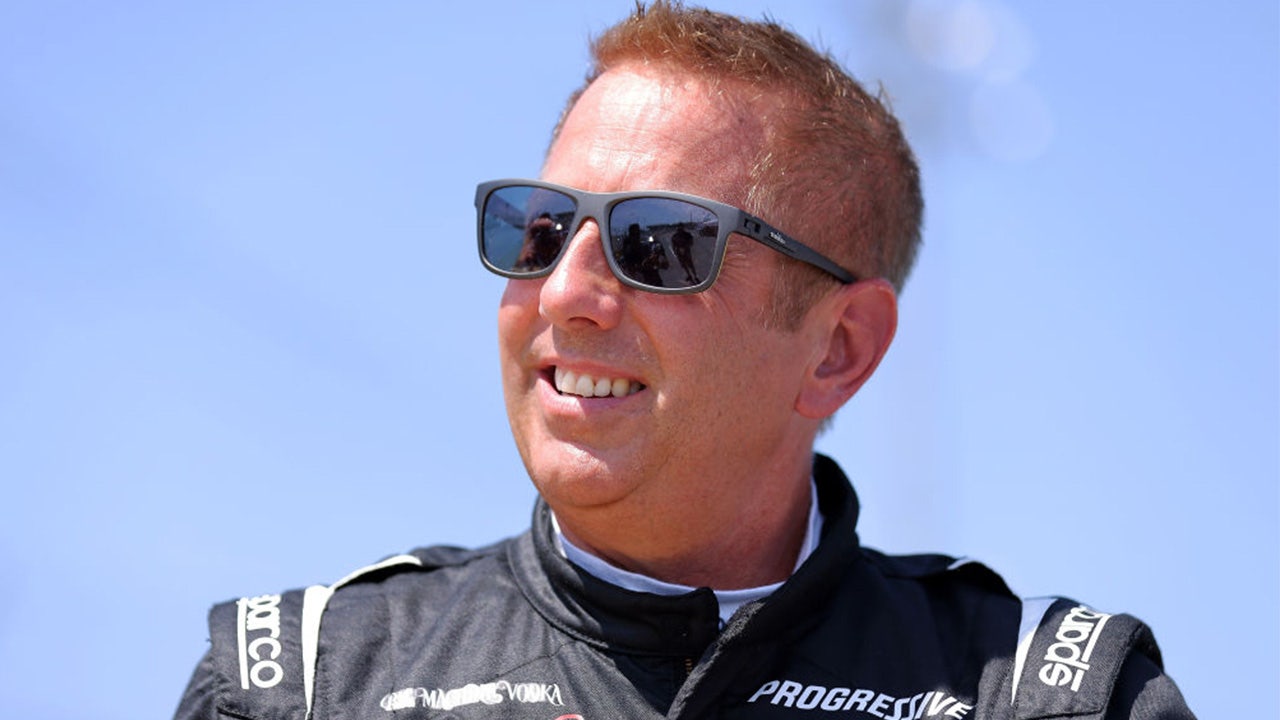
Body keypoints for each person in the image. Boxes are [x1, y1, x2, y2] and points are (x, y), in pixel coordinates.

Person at [174, 3, 1195, 718]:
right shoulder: (303, 686)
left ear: (837, 350)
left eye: (658, 243)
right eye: (538, 230)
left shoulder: (1047, 696)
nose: (564, 292)